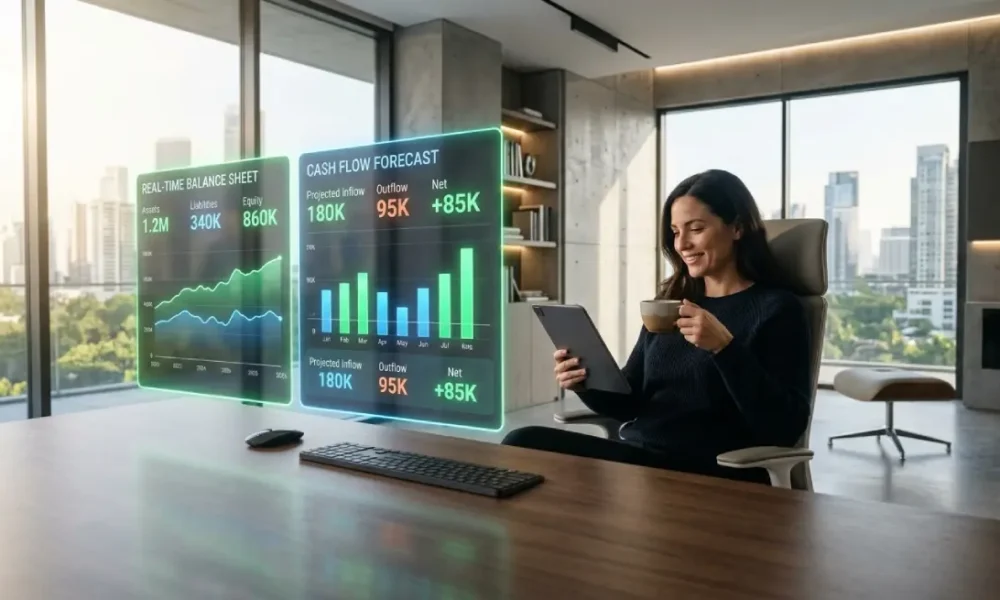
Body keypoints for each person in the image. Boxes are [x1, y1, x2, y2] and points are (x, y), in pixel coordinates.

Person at [502, 169, 812, 484]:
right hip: (643, 460)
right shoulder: (669, 304)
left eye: (696, 228)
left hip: (708, 470)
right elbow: (630, 401)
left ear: (737, 228)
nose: (683, 244)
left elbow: (784, 427)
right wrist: (584, 381)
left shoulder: (777, 309)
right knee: (522, 442)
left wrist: (725, 349)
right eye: (676, 232)